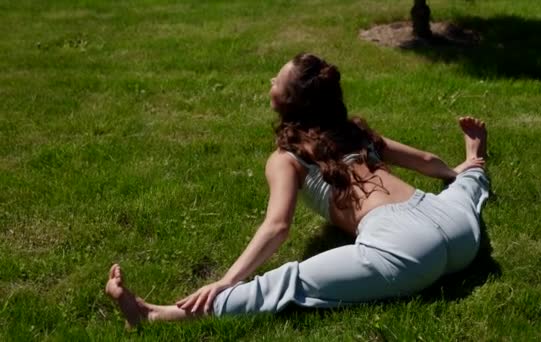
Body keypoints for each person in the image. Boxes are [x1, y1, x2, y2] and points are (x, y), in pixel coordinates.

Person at [105, 53, 490, 327]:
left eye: (276, 80)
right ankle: (472, 163)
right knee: (463, 191)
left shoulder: (287, 158)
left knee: (290, 281)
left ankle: (154, 315)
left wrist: (227, 280)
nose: (270, 82)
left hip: (407, 249)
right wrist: (449, 170)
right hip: (452, 229)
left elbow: (278, 227)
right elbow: (424, 160)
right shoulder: (357, 133)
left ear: (286, 101)